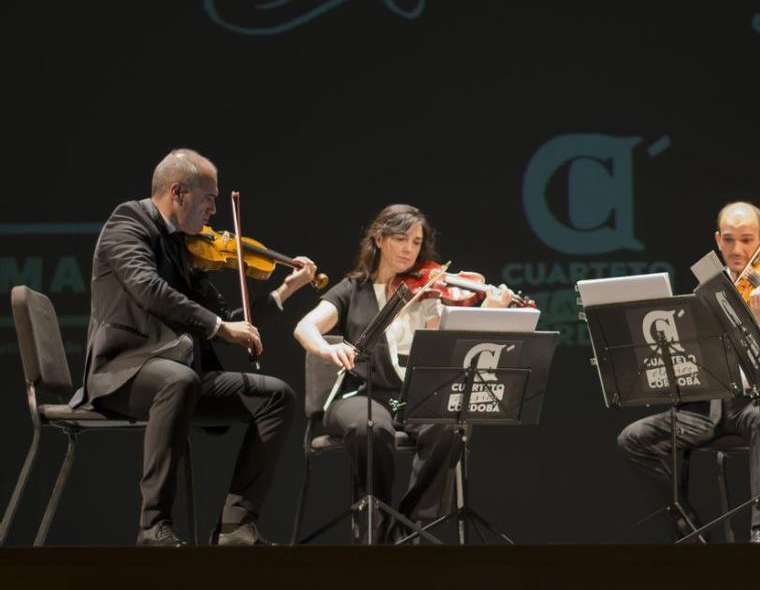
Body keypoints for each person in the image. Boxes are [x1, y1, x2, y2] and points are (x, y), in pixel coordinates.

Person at [71, 148, 317, 546]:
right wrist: (220, 327)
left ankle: (236, 525)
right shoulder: (127, 225)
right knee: (179, 380)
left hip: (180, 375)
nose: (215, 210)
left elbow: (226, 315)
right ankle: (153, 526)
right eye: (209, 198)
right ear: (179, 192)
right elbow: (151, 291)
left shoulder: (186, 248)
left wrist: (283, 293)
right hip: (123, 371)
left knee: (277, 397)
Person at [293, 204, 513, 542]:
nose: (409, 249)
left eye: (416, 242)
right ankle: (373, 522)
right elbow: (305, 326)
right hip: (361, 395)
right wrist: (326, 349)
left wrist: (487, 311)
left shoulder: (427, 293)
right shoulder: (353, 289)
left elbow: (445, 346)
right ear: (379, 239)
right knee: (370, 427)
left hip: (415, 396)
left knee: (450, 427)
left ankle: (414, 528)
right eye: (401, 239)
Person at [617, 201, 760, 543]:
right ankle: (688, 529)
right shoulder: (707, 289)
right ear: (717, 240)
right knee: (633, 439)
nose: (737, 250)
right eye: (728, 240)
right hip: (711, 407)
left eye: (747, 240)